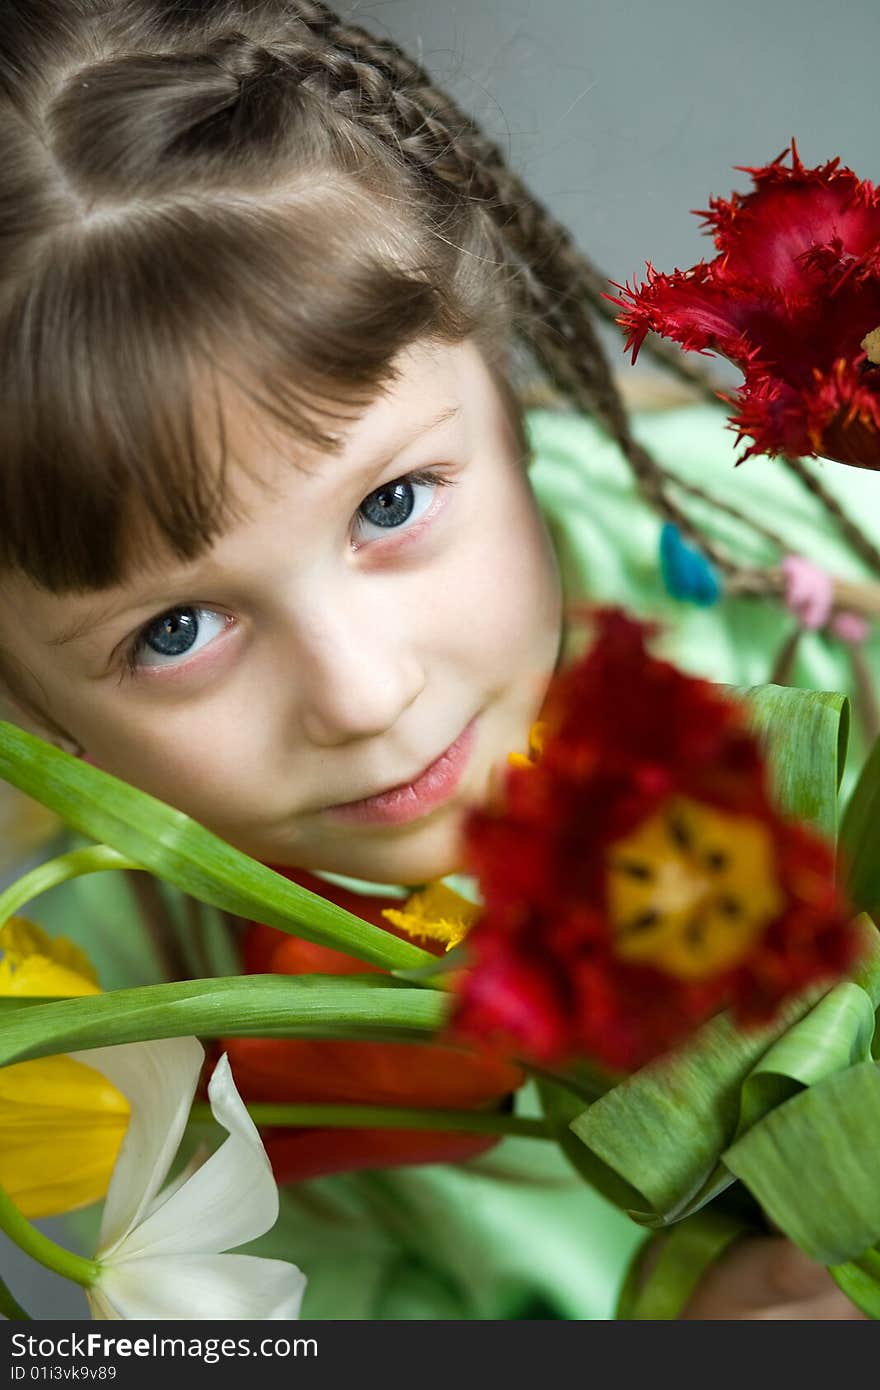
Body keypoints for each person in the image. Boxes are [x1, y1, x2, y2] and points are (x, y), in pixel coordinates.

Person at [0, 0, 875, 1319]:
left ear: (502, 369)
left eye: (393, 503)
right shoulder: (112, 1043)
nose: (367, 694)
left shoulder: (812, 572)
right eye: (174, 630)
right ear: (21, 699)